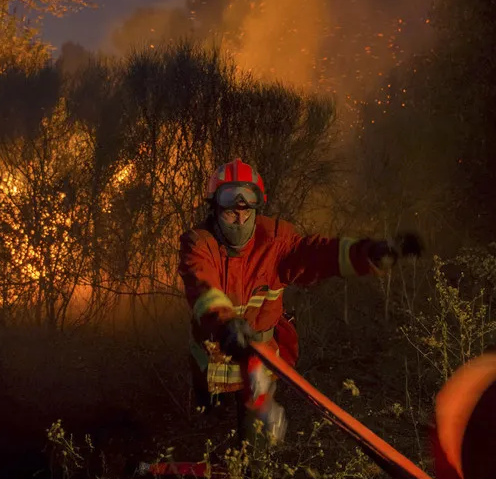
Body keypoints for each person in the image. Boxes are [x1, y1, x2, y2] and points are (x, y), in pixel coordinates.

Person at [178, 158, 421, 446]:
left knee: (256, 451)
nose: (240, 219)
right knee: (209, 439)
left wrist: (368, 254)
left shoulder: (276, 242)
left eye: (247, 211)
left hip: (260, 363)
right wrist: (225, 323)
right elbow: (203, 286)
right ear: (215, 209)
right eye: (231, 212)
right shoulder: (199, 244)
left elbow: (318, 255)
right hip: (214, 364)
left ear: (258, 208)